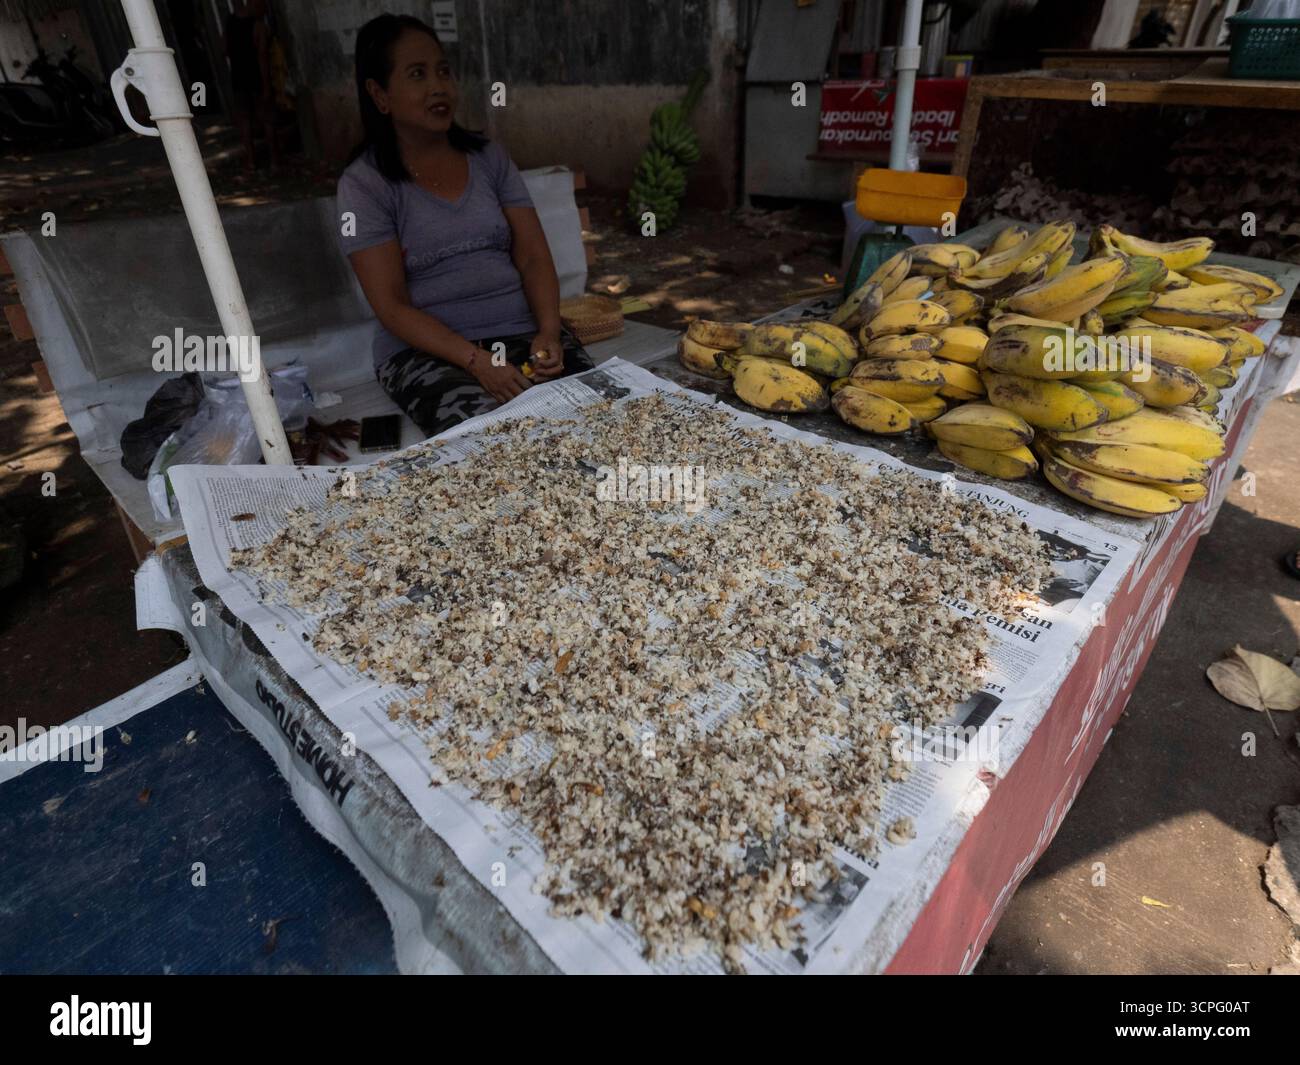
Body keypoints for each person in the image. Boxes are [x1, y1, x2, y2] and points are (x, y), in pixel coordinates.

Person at [337, 14, 592, 438]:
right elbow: (391, 306)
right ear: (380, 94)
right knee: (489, 442)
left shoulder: (489, 158)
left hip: (521, 333)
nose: (439, 86)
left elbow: (531, 256)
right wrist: (476, 362)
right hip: (427, 355)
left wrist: (548, 330)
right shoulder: (364, 185)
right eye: (417, 74)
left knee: (601, 416)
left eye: (443, 71)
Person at [224, 0, 280, 172]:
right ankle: (274, 161)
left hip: (238, 80)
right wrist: (267, 86)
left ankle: (251, 161)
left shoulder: (229, 24)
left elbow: (224, 50)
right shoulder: (258, 26)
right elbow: (262, 56)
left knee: (245, 122)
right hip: (256, 80)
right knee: (268, 121)